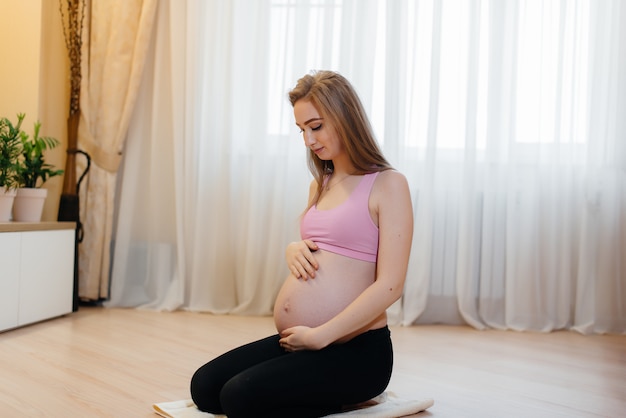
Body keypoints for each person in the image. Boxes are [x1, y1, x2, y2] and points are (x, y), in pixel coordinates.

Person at [190, 70, 414, 417]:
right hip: (304, 342)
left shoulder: (389, 184)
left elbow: (391, 285)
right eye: (302, 131)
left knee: (238, 397)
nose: (309, 140)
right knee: (204, 387)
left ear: (345, 117)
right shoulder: (320, 184)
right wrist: (291, 249)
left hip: (357, 351)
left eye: (316, 126)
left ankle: (351, 396)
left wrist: (322, 335)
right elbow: (320, 247)